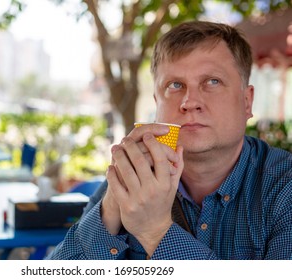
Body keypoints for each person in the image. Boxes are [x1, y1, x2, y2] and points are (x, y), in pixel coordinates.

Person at [47, 21, 292, 260]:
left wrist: (155, 231)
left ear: (247, 102)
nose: (189, 102)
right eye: (175, 85)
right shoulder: (137, 174)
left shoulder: (284, 187)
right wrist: (111, 208)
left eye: (212, 82)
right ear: (157, 104)